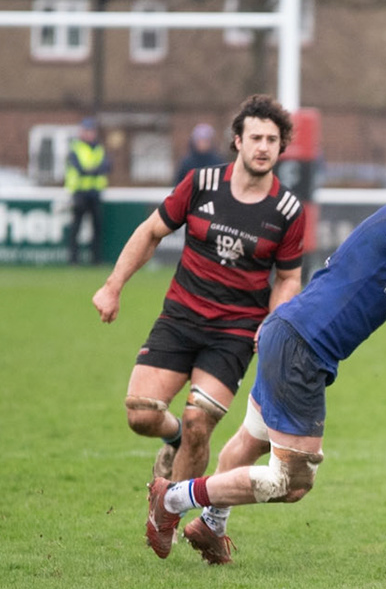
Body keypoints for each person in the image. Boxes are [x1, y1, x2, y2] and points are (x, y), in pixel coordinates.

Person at [147, 169, 386, 560]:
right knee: (291, 482)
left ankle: (212, 523)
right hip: (302, 345)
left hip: (291, 335)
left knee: (252, 439)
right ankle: (174, 497)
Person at [93, 94, 309, 557]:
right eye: (256, 137)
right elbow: (151, 231)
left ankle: (166, 514)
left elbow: (289, 278)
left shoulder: (288, 211)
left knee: (198, 423)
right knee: (141, 414)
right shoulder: (201, 183)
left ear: (280, 147)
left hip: (233, 332)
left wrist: (272, 321)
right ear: (237, 140)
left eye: (273, 140)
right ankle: (168, 439)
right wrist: (113, 286)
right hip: (180, 317)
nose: (264, 147)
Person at [65, 117, 109, 265]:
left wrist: (91, 170)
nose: (89, 134)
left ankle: (95, 260)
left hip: (95, 193)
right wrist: (94, 170)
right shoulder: (75, 148)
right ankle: (73, 260)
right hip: (80, 194)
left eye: (91, 131)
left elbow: (106, 167)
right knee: (76, 227)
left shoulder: (99, 149)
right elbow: (81, 170)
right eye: (86, 131)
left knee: (97, 227)